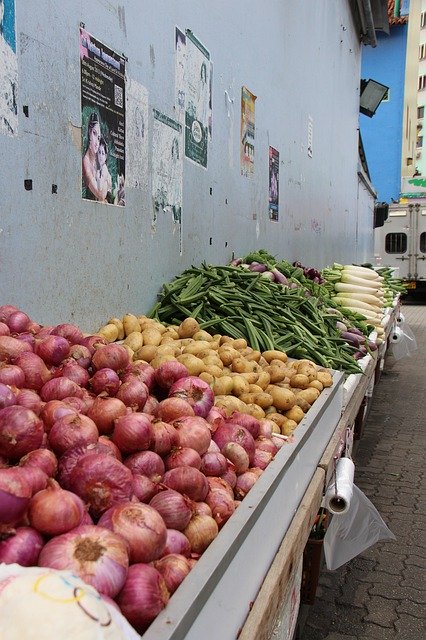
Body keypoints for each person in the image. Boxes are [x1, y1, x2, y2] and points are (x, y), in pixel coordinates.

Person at [82, 112, 109, 201]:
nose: (97, 143)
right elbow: (100, 195)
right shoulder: (86, 162)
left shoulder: (97, 159)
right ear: (89, 133)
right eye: (94, 133)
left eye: (98, 137)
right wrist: (105, 179)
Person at [96, 137, 113, 203]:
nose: (100, 156)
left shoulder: (104, 170)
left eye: (102, 153)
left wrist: (97, 175)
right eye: (99, 152)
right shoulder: (99, 167)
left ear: (105, 157)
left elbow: (99, 187)